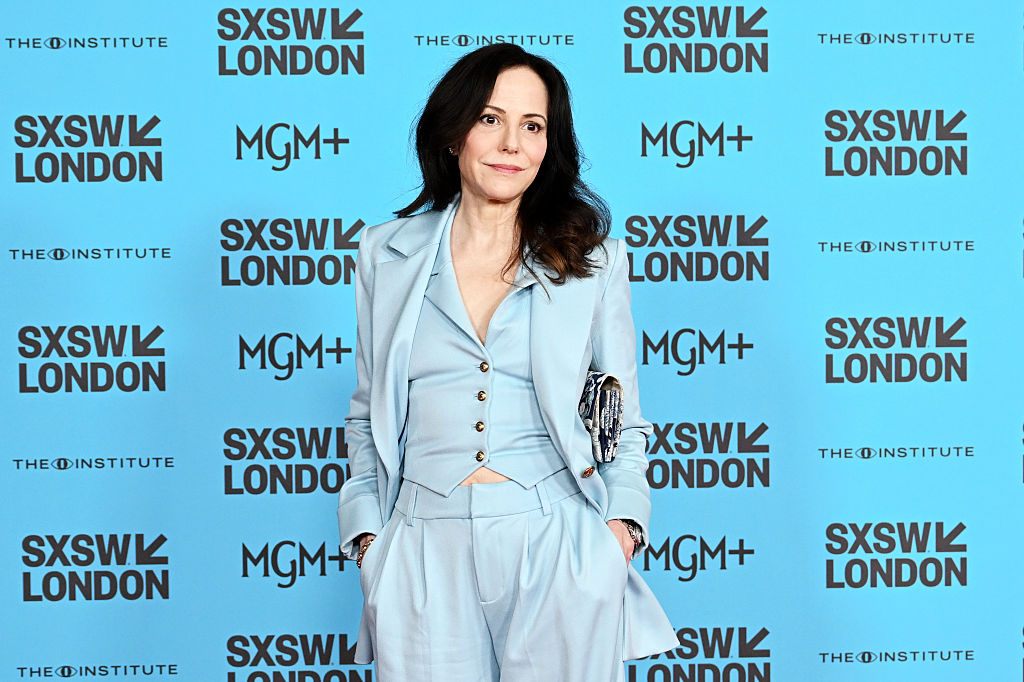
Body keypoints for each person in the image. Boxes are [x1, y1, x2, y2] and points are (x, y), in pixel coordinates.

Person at [336, 43, 678, 681]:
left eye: (533, 126)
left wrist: (620, 532)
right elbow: (366, 414)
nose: (511, 144)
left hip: (558, 542)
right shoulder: (385, 253)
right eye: (490, 119)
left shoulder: (595, 261)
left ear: (550, 145)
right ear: (453, 133)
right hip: (420, 542)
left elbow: (624, 419)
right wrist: (367, 541)